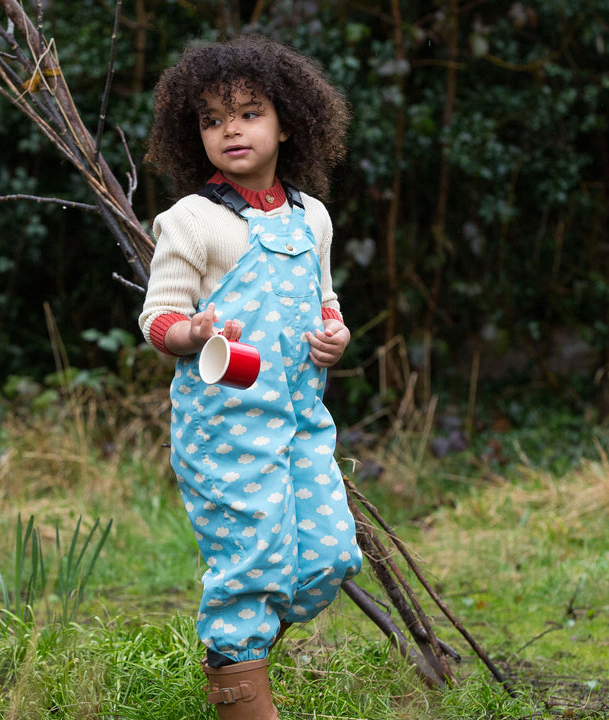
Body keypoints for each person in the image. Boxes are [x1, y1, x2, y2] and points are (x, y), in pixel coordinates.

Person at [139, 33, 362, 719]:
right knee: (254, 563)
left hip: (300, 423)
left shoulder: (312, 217)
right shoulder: (193, 222)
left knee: (329, 555)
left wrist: (336, 337)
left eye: (248, 112)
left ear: (289, 121)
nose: (229, 129)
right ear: (194, 133)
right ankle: (238, 684)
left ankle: (242, 644)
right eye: (211, 118)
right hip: (227, 431)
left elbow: (325, 301)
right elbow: (158, 320)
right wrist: (193, 332)